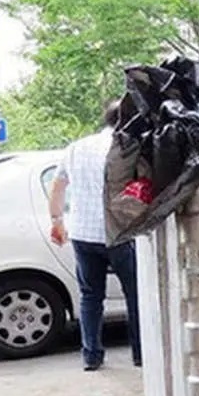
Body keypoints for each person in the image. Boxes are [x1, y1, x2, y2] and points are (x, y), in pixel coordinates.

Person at [49, 102, 142, 372]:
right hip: (119, 232)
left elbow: (58, 186)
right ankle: (140, 354)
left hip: (83, 233)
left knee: (90, 296)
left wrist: (57, 221)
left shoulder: (76, 148)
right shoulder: (127, 147)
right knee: (134, 295)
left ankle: (91, 355)